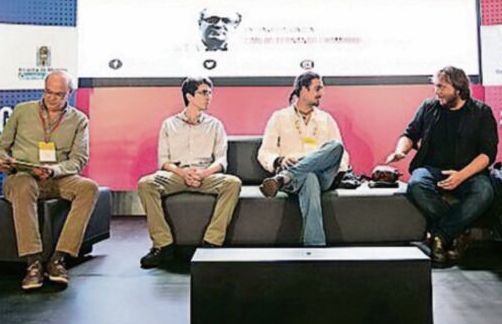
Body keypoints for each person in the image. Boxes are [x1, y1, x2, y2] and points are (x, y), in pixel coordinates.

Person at [0, 70, 98, 290]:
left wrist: (54, 170)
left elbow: (78, 160)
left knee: (89, 188)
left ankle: (58, 259)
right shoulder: (22, 111)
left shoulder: (79, 120)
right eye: (48, 92)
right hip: (22, 176)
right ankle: (33, 263)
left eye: (58, 94)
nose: (52, 98)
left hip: (57, 177)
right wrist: (0, 161)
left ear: (69, 93)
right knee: (24, 185)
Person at [386, 66, 497, 267]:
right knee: (416, 185)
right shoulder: (429, 107)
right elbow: (410, 134)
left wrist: (461, 176)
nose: (437, 92)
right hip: (432, 169)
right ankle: (457, 232)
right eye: (435, 86)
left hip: (468, 172)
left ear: (458, 88)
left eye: (442, 87)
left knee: (484, 191)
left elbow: (487, 154)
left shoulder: (482, 112)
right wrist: (401, 151)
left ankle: (439, 235)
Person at [136, 77, 241, 268]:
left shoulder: (215, 125)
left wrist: (204, 173)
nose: (208, 97)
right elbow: (164, 161)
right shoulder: (169, 124)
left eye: (210, 93)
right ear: (189, 96)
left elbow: (221, 160)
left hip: (205, 175)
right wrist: (183, 173)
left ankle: (212, 242)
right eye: (204, 93)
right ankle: (163, 245)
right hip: (177, 174)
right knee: (146, 184)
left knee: (233, 183)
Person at [257, 71, 349, 246]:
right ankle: (315, 248)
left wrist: (334, 169)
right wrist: (280, 160)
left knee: (336, 146)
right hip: (297, 176)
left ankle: (284, 177)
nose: (321, 93)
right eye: (317, 88)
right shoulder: (279, 117)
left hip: (323, 175)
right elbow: (265, 152)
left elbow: (342, 155)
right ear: (303, 90)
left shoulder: (326, 119)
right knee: (309, 177)